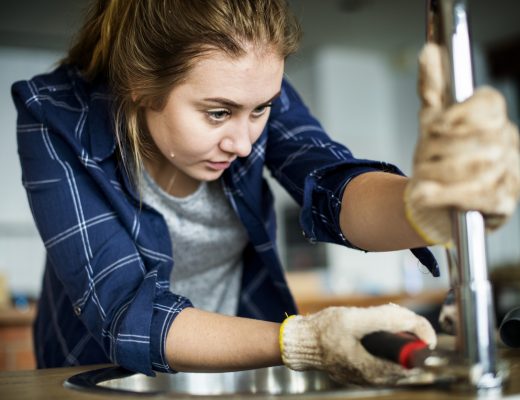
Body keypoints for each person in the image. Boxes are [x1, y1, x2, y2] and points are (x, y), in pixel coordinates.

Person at [11, 0, 519, 386]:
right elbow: (126, 310)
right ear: (141, 86)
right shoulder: (53, 115)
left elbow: (331, 184)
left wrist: (423, 204)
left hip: (240, 359)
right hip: (104, 374)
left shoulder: (252, 88)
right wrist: (303, 340)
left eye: (261, 111)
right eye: (217, 113)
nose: (243, 140)